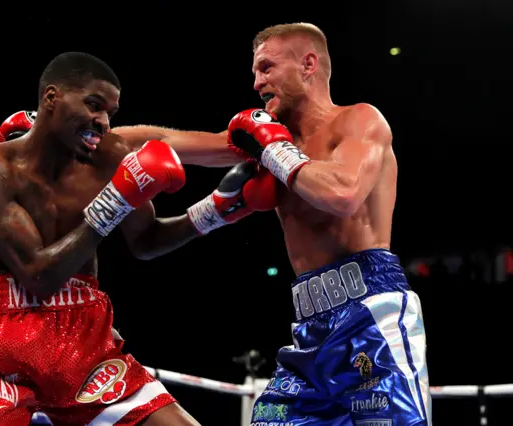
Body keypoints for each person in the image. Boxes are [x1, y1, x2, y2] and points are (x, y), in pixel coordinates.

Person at [115, 23, 431, 426]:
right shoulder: (264, 140)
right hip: (310, 330)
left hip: (372, 314)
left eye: (266, 68)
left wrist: (274, 150)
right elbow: (166, 140)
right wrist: (87, 136)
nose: (256, 82)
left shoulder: (359, 121)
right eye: (254, 72)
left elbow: (343, 194)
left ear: (308, 64)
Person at [0, 51, 278, 426]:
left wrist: (216, 209)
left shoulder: (109, 157)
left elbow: (146, 241)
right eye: (93, 105)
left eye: (109, 113)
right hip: (1, 347)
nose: (101, 121)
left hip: (85, 340)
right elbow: (38, 278)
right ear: (51, 98)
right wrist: (114, 201)